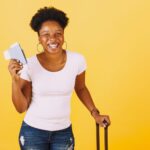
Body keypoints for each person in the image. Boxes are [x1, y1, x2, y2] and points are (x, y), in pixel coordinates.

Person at [8, 6, 111, 150]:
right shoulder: (29, 65)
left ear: (63, 35)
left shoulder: (77, 60)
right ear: (39, 38)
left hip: (63, 132)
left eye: (58, 33)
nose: (53, 39)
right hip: (33, 133)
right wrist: (14, 80)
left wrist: (95, 114)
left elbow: (81, 88)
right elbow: (21, 108)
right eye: (46, 34)